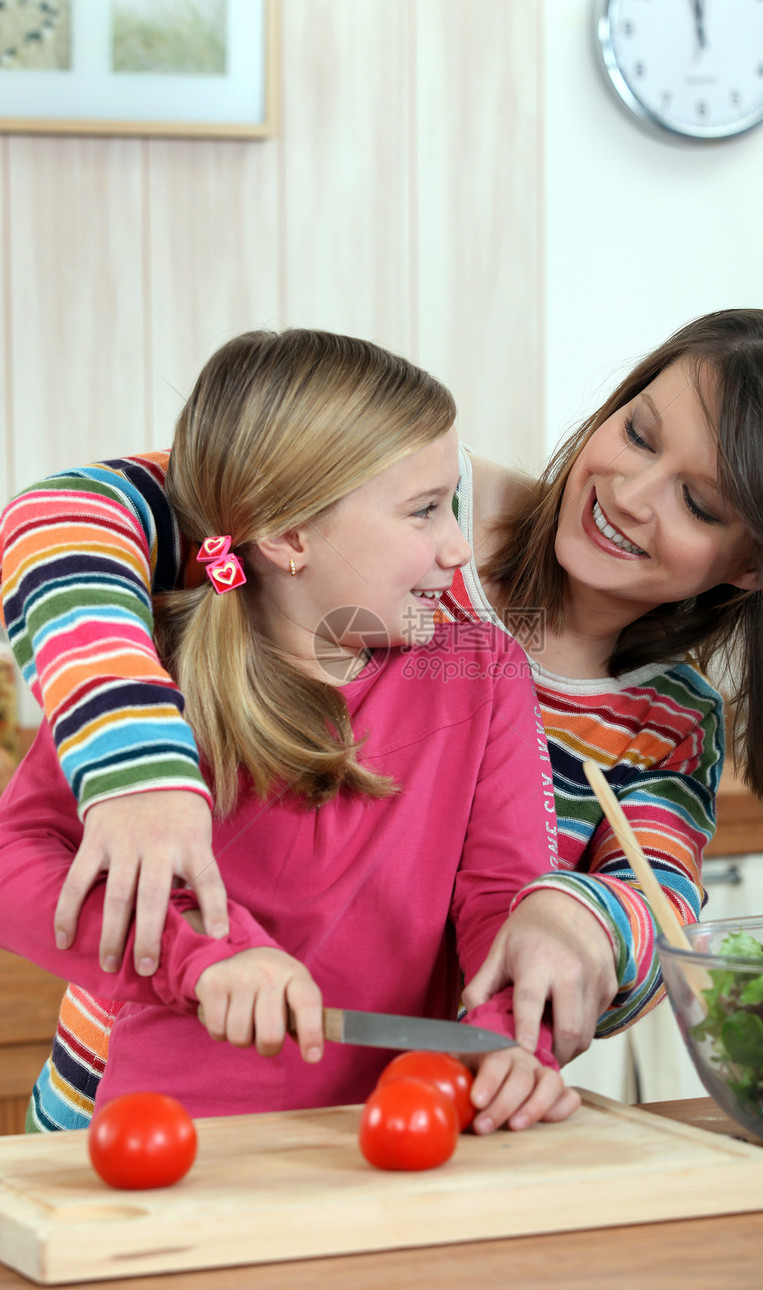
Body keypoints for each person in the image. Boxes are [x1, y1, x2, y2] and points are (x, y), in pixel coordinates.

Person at [6, 307, 763, 1116]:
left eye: (700, 503)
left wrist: (571, 923)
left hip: (399, 1109)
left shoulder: (654, 714)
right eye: (637, 432)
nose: (634, 493)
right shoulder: (386, 498)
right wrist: (136, 767)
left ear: (756, 567)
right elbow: (67, 519)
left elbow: (652, 895)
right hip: (118, 1092)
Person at [0, 328, 581, 1133]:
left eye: (452, 503)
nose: (457, 546)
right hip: (170, 1137)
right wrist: (201, 961)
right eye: (422, 512)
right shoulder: (155, 676)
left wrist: (510, 1038)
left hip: (395, 1130)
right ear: (288, 537)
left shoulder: (483, 673)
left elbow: (504, 897)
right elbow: (19, 862)